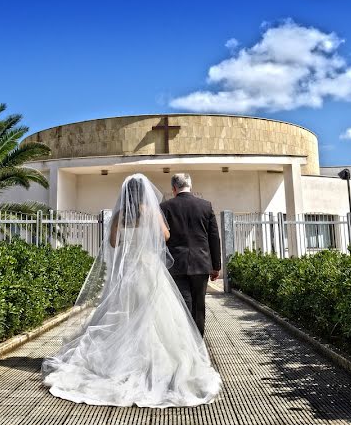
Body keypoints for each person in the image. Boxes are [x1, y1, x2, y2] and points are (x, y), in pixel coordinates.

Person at [42, 174, 221, 408]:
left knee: (124, 315)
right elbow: (165, 236)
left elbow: (114, 243)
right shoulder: (151, 211)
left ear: (125, 193)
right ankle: (159, 362)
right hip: (149, 268)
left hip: (128, 273)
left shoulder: (119, 215)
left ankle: (121, 362)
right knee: (156, 317)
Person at [159, 173, 221, 336]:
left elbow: (160, 238)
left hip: (176, 265)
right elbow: (214, 237)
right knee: (198, 305)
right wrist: (216, 266)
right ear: (190, 186)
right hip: (201, 264)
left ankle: (184, 343)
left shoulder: (165, 207)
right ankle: (198, 342)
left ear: (173, 188)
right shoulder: (205, 206)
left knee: (182, 305)